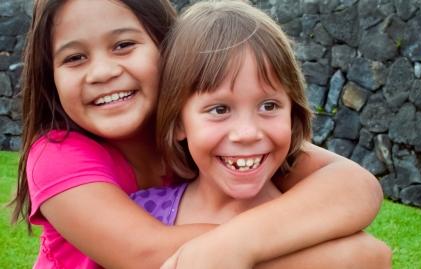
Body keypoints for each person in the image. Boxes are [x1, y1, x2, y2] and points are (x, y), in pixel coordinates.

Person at [9, 0, 388, 268]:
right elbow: (145, 256)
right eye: (74, 58)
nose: (102, 72)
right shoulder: (57, 156)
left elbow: (354, 187)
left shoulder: (216, 131)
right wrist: (344, 256)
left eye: (124, 45)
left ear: (167, 49)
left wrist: (240, 243)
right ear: (51, 76)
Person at [132, 1, 391, 268]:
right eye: (219, 109)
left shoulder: (316, 225)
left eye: (269, 106)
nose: (247, 133)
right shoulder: (143, 214)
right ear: (178, 123)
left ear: (293, 114)